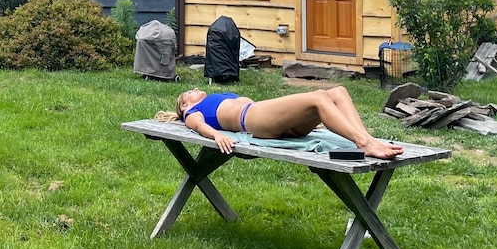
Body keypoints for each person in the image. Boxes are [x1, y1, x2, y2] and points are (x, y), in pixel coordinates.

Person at [173, 86, 404, 159]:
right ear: (184, 105)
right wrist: (216, 135)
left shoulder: (214, 97)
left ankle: (367, 141)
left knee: (338, 91)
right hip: (252, 119)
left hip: (268, 118)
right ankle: (365, 143)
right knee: (319, 97)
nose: (194, 89)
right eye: (188, 93)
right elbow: (198, 125)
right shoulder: (192, 111)